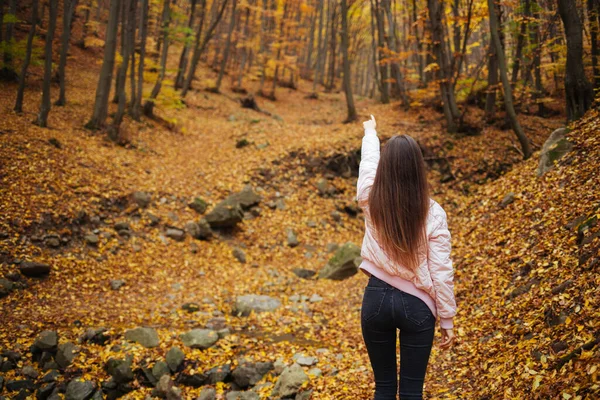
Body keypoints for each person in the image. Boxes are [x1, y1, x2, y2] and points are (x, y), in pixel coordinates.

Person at [358, 115, 457, 400]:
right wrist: (447, 319)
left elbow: (367, 166)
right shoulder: (434, 212)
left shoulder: (369, 198)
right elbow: (441, 271)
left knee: (384, 387)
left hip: (375, 301)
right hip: (417, 307)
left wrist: (371, 133)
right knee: (412, 391)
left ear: (385, 168)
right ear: (418, 168)